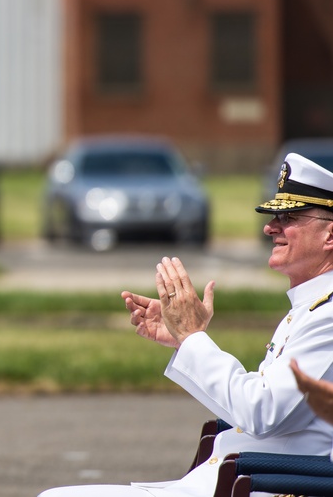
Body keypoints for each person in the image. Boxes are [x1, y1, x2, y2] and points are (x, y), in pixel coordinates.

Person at [39, 152, 333, 497]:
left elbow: (260, 412)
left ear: (330, 236)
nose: (271, 227)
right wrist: (185, 340)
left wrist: (194, 337)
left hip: (262, 485)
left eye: (289, 217)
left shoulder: (326, 316)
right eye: (274, 216)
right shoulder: (311, 308)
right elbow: (272, 407)